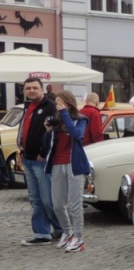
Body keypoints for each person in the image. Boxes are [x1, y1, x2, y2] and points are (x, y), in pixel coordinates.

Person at [17, 77, 63, 245]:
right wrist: (21, 149)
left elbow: (53, 133)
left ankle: (61, 228)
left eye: (35, 88)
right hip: (28, 159)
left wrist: (44, 153)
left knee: (47, 200)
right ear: (24, 90)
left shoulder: (50, 107)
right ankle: (42, 234)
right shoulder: (27, 107)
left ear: (42, 89)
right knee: (35, 200)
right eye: (28, 88)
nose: (31, 91)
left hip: (41, 160)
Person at [45, 91, 91, 252]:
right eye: (56, 103)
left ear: (68, 103)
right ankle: (68, 232)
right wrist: (48, 130)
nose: (57, 106)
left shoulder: (81, 119)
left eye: (61, 103)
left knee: (74, 204)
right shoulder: (57, 122)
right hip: (57, 164)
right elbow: (46, 146)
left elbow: (77, 135)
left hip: (75, 165)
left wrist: (65, 114)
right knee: (57, 204)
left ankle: (79, 238)